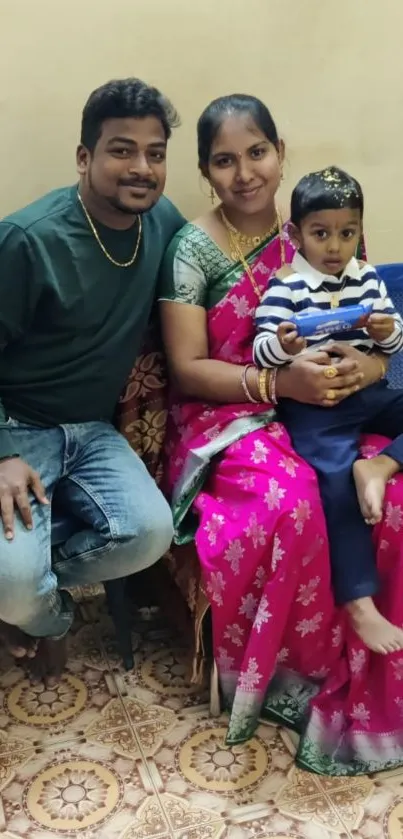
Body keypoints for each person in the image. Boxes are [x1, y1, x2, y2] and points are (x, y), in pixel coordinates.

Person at [159, 93, 403, 775]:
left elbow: (372, 324)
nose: (244, 173)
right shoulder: (192, 248)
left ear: (278, 151)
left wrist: (371, 363)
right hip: (229, 410)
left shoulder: (321, 226)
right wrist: (277, 384)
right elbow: (185, 368)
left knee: (389, 496)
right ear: (205, 172)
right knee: (293, 501)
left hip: (334, 396)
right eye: (223, 161)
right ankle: (293, 675)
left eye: (256, 153)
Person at [0, 77, 185, 683]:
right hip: (18, 426)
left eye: (155, 153)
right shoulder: (30, 239)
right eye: (121, 149)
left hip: (93, 430)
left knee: (151, 534)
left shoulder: (162, 225)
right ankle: (43, 618)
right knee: (17, 587)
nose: (141, 168)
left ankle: (21, 591)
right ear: (84, 157)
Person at [252, 165, 403, 655]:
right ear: (296, 233)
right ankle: (360, 602)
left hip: (367, 391)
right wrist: (282, 343)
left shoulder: (366, 279)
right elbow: (261, 353)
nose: (335, 246)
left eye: (346, 233)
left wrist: (385, 334)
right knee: (332, 478)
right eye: (321, 233)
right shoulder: (287, 286)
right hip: (317, 406)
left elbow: (396, 340)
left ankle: (379, 465)